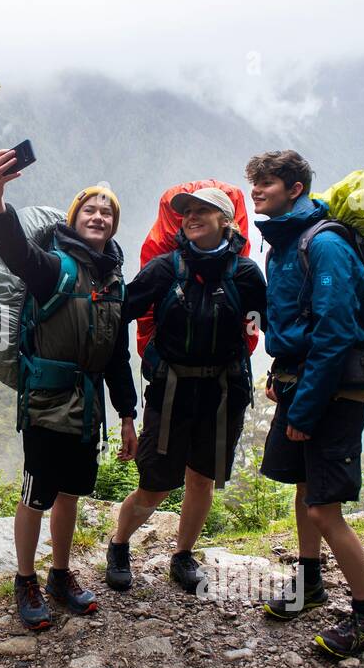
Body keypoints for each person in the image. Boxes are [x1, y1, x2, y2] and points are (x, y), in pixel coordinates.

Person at [0, 148, 138, 631]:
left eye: (107, 211)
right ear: (75, 219)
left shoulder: (113, 281)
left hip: (89, 407)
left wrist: (128, 414)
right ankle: (25, 579)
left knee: (71, 493)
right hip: (47, 403)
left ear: (114, 225)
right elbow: (15, 250)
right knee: (37, 493)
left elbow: (115, 355)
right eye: (90, 209)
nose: (99, 216)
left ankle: (60, 575)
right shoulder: (53, 267)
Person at [246, 149, 364, 658]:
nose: (257, 190)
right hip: (300, 382)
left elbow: (335, 332)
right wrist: (282, 377)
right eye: (255, 182)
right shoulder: (282, 243)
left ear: (296, 187)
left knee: (325, 509)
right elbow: (294, 324)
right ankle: (310, 585)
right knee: (305, 489)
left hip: (332, 391)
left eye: (267, 183)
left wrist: (305, 408)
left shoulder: (323, 244)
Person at [104, 188, 266, 594]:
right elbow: (119, 312)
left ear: (226, 220)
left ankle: (183, 555)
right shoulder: (164, 269)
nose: (191, 217)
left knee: (201, 478)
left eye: (203, 211)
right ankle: (119, 546)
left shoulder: (246, 274)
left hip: (222, 390)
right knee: (155, 483)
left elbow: (265, 323)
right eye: (187, 211)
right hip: (171, 389)